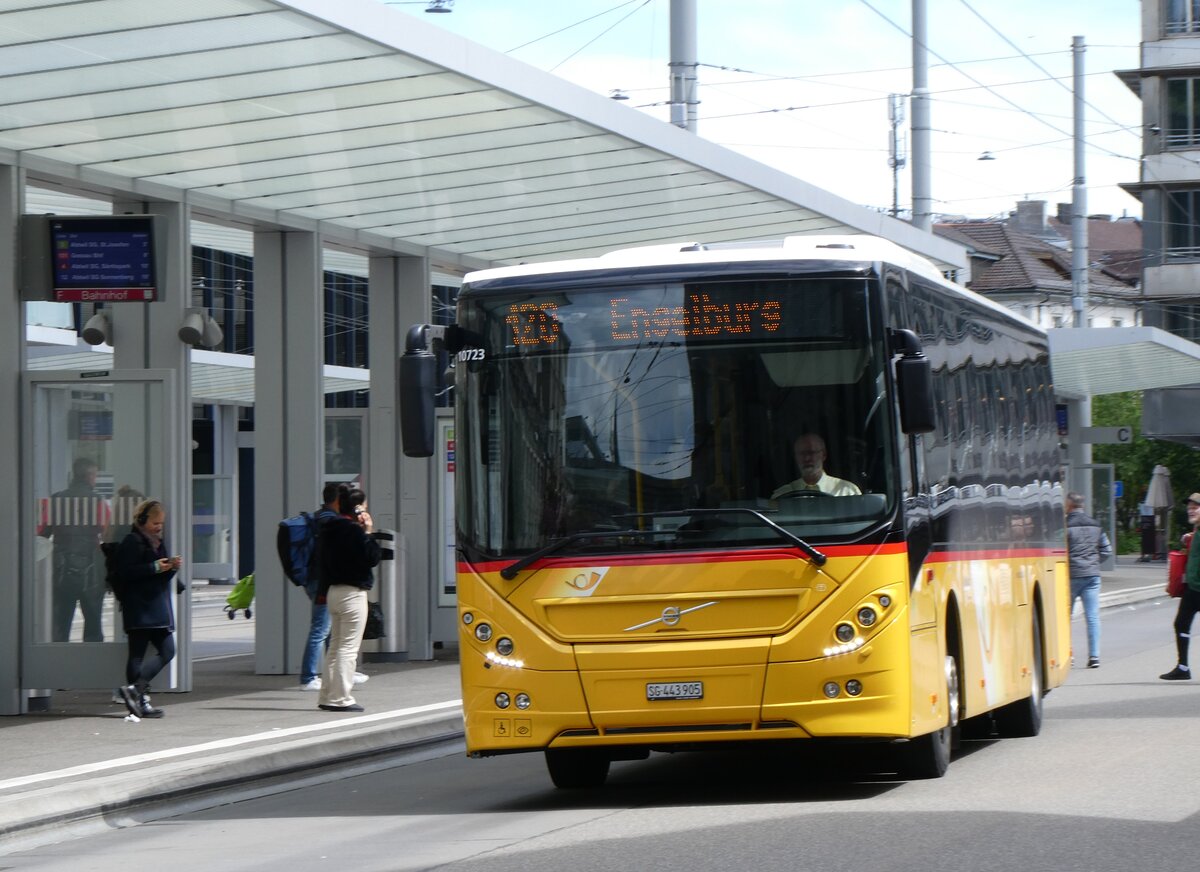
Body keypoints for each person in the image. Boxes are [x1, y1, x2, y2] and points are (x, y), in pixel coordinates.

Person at [315, 484, 380, 712]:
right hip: (352, 593)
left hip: (334, 592)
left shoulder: (328, 528)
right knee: (348, 648)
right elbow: (371, 558)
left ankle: (327, 695)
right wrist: (368, 532)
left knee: (335, 647)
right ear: (358, 507)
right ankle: (341, 697)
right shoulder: (354, 531)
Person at [298, 483, 369, 691]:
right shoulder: (332, 522)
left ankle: (341, 672)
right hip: (323, 581)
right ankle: (308, 677)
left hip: (320, 579)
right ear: (339, 500)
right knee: (321, 629)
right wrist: (366, 531)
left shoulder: (322, 518)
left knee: (333, 631)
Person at [114, 499, 181, 718]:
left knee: (168, 651)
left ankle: (136, 690)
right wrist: (154, 567)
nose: (159, 527)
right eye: (155, 522)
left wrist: (171, 568)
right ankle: (138, 700)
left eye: (161, 523)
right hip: (139, 607)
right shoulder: (132, 541)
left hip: (156, 606)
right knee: (137, 655)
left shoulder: (157, 542)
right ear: (142, 520)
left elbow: (160, 578)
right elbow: (125, 572)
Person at [40, 457, 110, 642]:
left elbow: (41, 533)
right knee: (94, 625)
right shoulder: (98, 502)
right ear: (90, 476)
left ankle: (59, 664)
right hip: (91, 570)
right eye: (95, 475)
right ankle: (91, 664)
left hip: (62, 568)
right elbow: (108, 535)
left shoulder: (55, 500)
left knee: (61, 624)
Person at [1066, 491, 1112, 669]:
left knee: (1065, 617)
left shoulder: (1065, 526)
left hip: (1071, 576)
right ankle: (1094, 657)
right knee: (1092, 617)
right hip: (1092, 576)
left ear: (1069, 506)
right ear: (1082, 505)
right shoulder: (1096, 525)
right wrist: (1093, 562)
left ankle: (1068, 655)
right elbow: (1107, 550)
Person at [1161, 493, 1200, 681]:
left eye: (1195, 507)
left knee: (1181, 623)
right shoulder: (1196, 532)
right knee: (1181, 623)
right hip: (1193, 589)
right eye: (1189, 507)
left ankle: (1183, 667)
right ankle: (1183, 667)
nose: (1191, 510)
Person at [771, 432, 861, 498]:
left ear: (824, 455)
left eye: (811, 452)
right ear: (795, 457)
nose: (806, 458)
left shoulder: (848, 491)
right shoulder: (782, 496)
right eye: (801, 453)